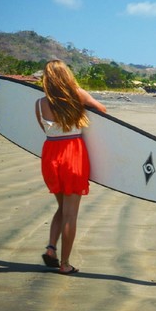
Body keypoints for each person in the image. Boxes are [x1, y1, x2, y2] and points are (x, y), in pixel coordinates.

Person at [35, 60, 106, 274]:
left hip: (50, 155)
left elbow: (45, 130)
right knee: (70, 215)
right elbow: (102, 109)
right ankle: (65, 264)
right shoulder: (77, 94)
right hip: (73, 155)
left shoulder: (39, 103)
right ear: (67, 75)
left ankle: (51, 249)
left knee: (62, 207)